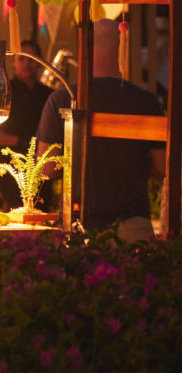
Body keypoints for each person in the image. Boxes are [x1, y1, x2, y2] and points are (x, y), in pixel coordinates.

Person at [36, 19, 166, 241]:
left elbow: (46, 168)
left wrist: (76, 164)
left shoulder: (61, 99)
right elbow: (162, 165)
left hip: (78, 225)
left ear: (84, 48)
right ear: (121, 49)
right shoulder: (146, 102)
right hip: (133, 225)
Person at [0, 39, 55, 210]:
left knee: (41, 211)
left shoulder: (49, 96)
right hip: (10, 166)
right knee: (16, 210)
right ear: (13, 62)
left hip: (41, 167)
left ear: (40, 63)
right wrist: (20, 141)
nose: (27, 64)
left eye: (32, 59)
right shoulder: (3, 92)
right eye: (22, 59)